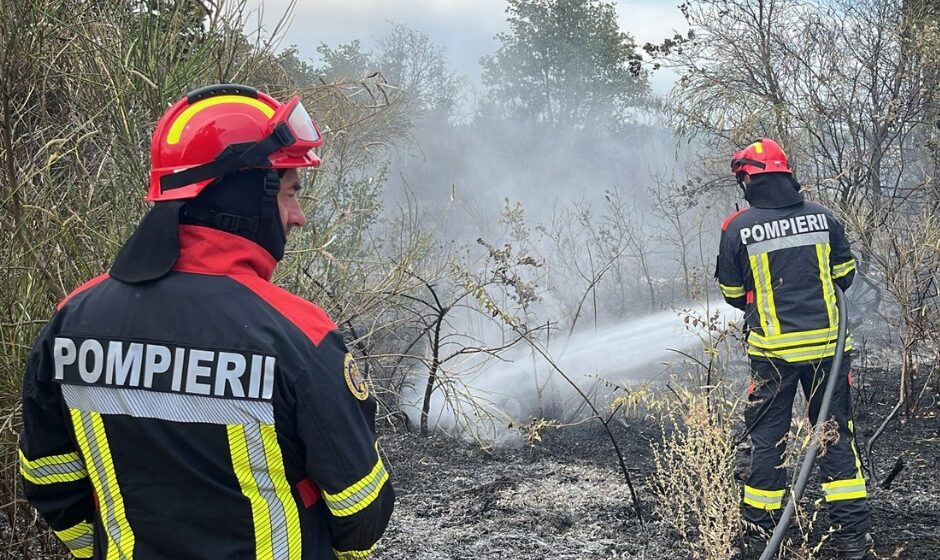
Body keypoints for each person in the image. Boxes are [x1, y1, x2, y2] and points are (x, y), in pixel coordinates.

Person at [18, 84, 394, 559]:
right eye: (291, 192)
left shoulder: (72, 319)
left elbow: (47, 477)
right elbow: (361, 511)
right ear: (245, 195)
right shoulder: (298, 334)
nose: (298, 217)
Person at [716, 139, 872, 559]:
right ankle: (851, 539)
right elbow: (844, 274)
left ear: (750, 177)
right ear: (785, 174)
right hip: (829, 352)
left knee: (768, 441)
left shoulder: (737, 227)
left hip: (773, 356)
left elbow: (732, 292)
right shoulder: (823, 218)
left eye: (742, 178)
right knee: (835, 436)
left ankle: (761, 536)